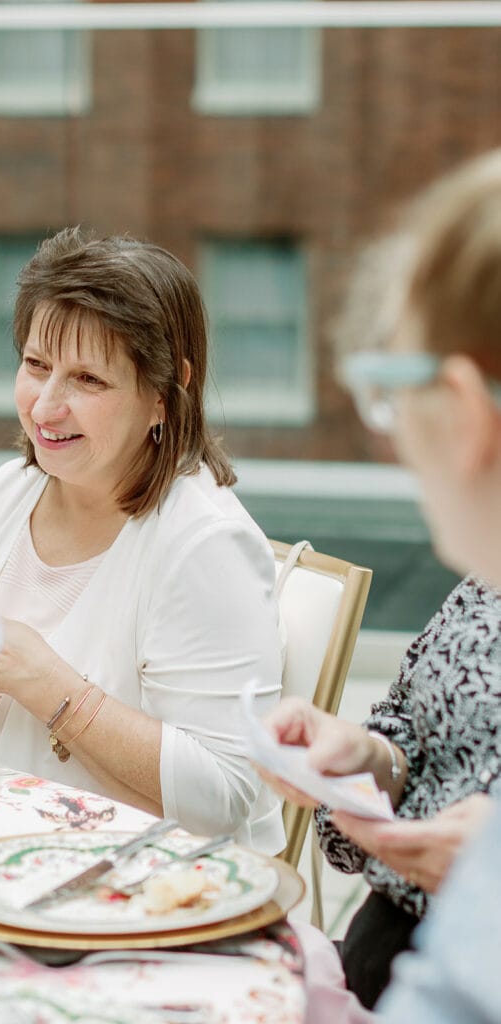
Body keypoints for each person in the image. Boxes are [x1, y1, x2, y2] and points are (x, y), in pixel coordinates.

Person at [0, 226, 284, 851]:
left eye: (88, 380)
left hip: (153, 894)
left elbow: (226, 796)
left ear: (163, 394)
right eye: (36, 365)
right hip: (2, 860)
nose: (46, 407)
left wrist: (47, 684)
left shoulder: (204, 545)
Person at [259, 149, 501, 1012]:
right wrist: (368, 759)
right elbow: (405, 727)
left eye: (389, 395)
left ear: (466, 411)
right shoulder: (481, 587)